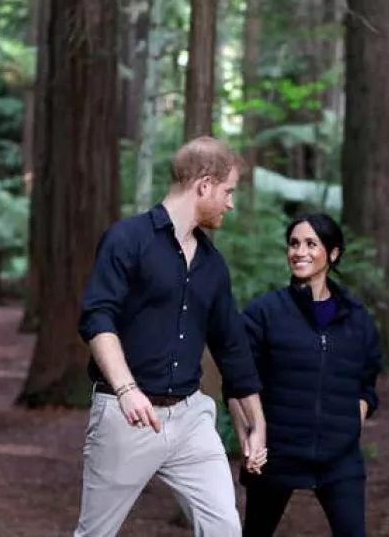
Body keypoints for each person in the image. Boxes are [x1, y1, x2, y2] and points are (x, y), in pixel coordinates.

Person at [74, 136, 268, 537]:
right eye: (228, 191)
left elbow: (232, 347)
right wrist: (127, 390)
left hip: (190, 419)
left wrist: (257, 421)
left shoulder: (213, 265)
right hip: (125, 417)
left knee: (225, 529)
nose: (230, 203)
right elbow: (97, 317)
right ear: (204, 184)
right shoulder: (127, 239)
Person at [227, 213, 383, 537]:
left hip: (340, 461)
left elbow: (367, 384)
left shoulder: (357, 319)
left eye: (311, 244)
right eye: (294, 243)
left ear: (333, 253)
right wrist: (248, 440)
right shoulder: (264, 312)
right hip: (277, 454)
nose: (300, 252)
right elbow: (237, 382)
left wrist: (354, 417)